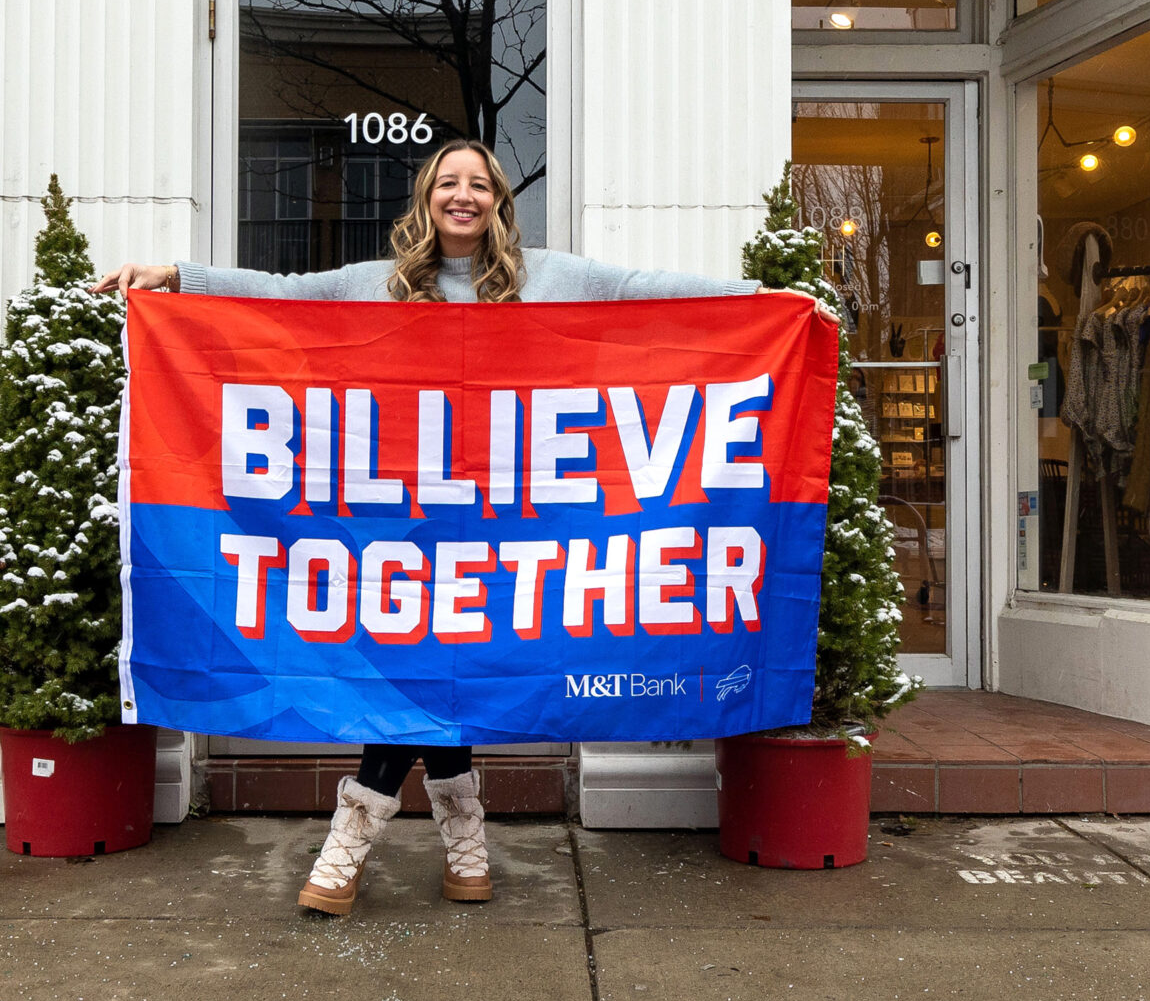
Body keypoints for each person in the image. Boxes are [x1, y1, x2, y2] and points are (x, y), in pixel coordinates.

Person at [94, 138, 820, 917]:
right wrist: (176, 278)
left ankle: (356, 838)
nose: (463, 195)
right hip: (402, 531)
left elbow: (646, 289)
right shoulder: (378, 285)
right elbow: (281, 292)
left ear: (499, 200)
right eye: (449, 183)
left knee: (453, 674)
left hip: (509, 532)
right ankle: (459, 838)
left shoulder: (553, 278)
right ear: (427, 198)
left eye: (479, 183)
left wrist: (765, 303)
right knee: (428, 670)